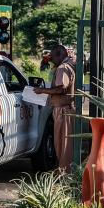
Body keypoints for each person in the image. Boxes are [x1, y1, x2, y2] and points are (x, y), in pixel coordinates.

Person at [32, 44, 79, 174]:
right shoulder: (68, 65)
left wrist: (42, 90)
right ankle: (66, 171)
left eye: (52, 58)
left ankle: (65, 174)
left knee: (62, 145)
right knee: (66, 144)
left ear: (60, 55)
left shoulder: (62, 68)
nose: (51, 60)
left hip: (63, 110)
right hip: (66, 109)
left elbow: (61, 88)